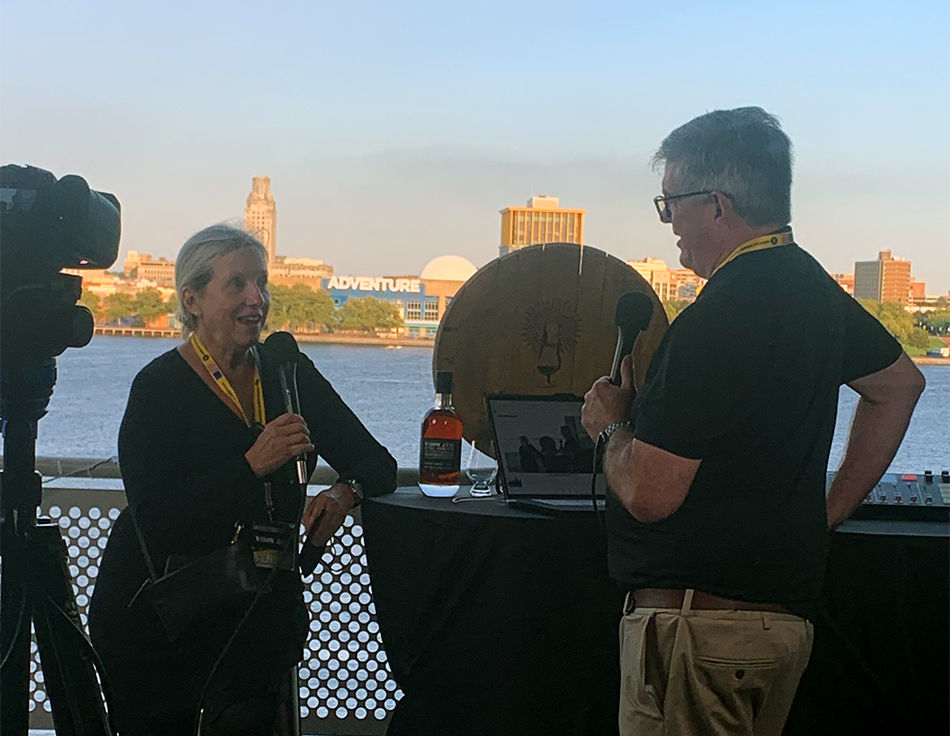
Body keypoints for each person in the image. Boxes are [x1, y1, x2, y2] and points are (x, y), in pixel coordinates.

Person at [581, 107, 925, 736]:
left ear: (716, 205)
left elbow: (651, 494)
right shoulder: (814, 291)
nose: (670, 225)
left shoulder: (715, 318)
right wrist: (826, 511)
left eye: (670, 205)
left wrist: (610, 427)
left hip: (697, 634)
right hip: (779, 628)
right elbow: (899, 386)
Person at [89, 224, 397, 735]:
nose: (257, 299)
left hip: (257, 615)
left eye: (262, 283)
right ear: (192, 299)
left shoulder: (286, 372)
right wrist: (250, 466)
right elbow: (157, 520)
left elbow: (378, 464)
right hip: (164, 618)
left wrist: (345, 493)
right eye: (237, 285)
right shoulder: (158, 387)